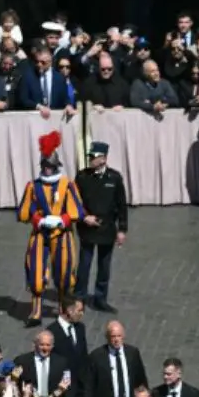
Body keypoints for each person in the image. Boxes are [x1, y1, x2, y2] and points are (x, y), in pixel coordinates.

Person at [18, 131, 85, 326]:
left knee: (64, 274)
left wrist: (61, 220)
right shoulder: (33, 186)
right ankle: (36, 311)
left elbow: (77, 210)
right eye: (45, 166)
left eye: (50, 166)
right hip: (40, 234)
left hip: (62, 235)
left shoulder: (67, 185)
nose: (47, 170)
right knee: (36, 273)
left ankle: (63, 309)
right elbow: (25, 211)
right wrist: (38, 219)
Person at [75, 142, 128, 313]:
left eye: (93, 156)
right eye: (89, 156)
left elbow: (121, 205)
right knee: (84, 265)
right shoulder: (82, 177)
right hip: (88, 228)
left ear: (104, 158)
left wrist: (122, 230)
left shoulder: (114, 178)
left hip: (106, 229)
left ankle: (100, 298)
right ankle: (80, 298)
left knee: (104, 267)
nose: (90, 159)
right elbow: (75, 202)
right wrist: (84, 217)